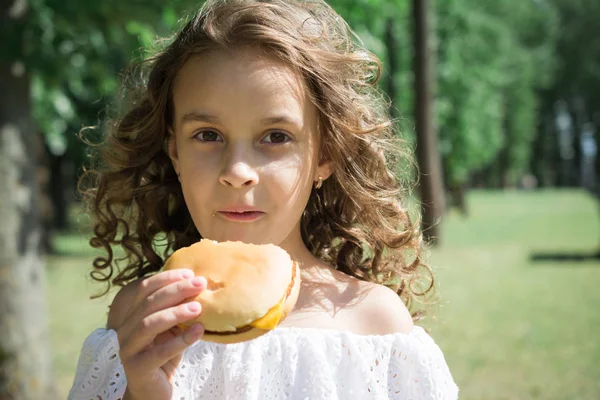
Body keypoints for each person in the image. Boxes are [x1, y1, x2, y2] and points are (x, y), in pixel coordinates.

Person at [68, 0, 459, 398]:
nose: (237, 172)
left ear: (325, 156)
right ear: (175, 153)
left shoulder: (374, 325)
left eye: (275, 136)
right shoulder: (142, 316)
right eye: (207, 135)